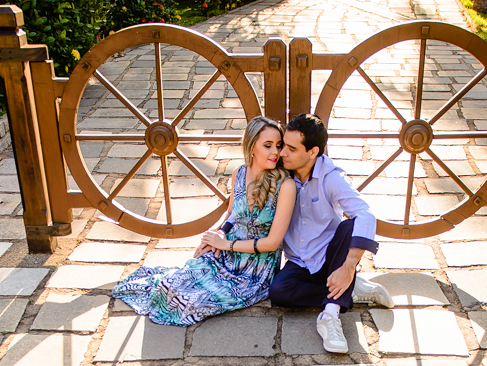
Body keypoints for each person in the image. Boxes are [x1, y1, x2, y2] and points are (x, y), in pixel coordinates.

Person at [113, 116, 296, 326]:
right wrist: (215, 235)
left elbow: (272, 243)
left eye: (278, 145)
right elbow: (231, 214)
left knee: (191, 302)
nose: (276, 152)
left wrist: (225, 244)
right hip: (226, 255)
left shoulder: (286, 185)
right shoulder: (240, 173)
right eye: (268, 145)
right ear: (252, 146)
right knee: (170, 285)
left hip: (253, 271)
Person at [268, 113, 394, 353]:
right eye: (283, 145)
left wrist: (348, 267)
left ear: (313, 152)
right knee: (278, 293)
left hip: (330, 258)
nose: (283, 153)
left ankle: (330, 314)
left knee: (349, 226)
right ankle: (351, 289)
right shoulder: (281, 171)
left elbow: (365, 215)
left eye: (291, 149)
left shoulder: (332, 177)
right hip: (299, 261)